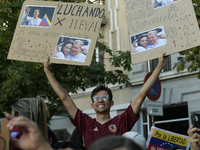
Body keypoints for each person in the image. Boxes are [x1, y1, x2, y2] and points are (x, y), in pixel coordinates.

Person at [44, 52, 168, 147]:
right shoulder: (85, 123)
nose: (100, 100)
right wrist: (48, 71)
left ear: (111, 103)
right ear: (93, 105)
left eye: (104, 97)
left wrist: (159, 67)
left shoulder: (122, 121)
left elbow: (141, 94)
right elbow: (64, 97)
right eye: (96, 98)